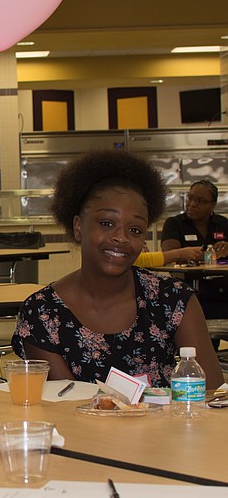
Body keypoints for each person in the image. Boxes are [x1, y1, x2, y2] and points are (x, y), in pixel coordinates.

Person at [12, 150, 222, 389]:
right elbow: (66, 405)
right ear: (79, 227)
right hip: (78, 426)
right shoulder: (43, 313)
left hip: (169, 425)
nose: (121, 238)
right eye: (107, 224)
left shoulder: (173, 300)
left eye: (135, 230)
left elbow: (209, 392)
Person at [160, 179, 228, 319]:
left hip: (221, 295)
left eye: (201, 201)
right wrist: (214, 254)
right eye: (190, 197)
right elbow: (171, 254)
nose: (192, 204)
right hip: (185, 294)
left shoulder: (223, 224)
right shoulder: (175, 224)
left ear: (213, 205)